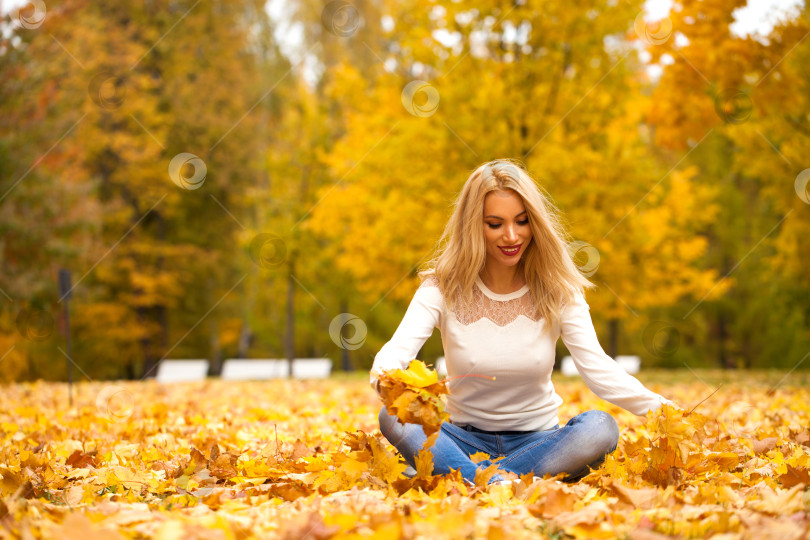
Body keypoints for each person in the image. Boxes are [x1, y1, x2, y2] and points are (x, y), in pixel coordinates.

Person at [369, 159, 680, 486]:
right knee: (393, 416)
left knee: (600, 428)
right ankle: (492, 479)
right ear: (474, 225)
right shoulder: (442, 288)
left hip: (540, 442)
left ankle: (467, 477)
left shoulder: (559, 289)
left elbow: (598, 369)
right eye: (495, 224)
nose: (512, 235)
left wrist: (667, 413)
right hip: (461, 439)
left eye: (522, 221)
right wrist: (386, 381)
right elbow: (396, 352)